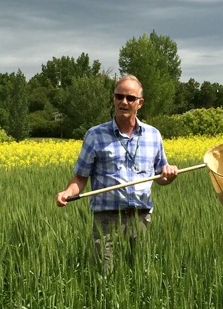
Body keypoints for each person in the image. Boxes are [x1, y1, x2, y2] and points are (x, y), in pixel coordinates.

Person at [55, 75, 179, 272]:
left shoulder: (153, 135)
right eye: (119, 96)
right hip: (106, 222)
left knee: (141, 279)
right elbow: (80, 177)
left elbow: (160, 176)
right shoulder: (95, 135)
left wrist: (168, 175)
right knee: (104, 280)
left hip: (141, 220)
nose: (124, 102)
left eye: (130, 98)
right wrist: (67, 193)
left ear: (140, 103)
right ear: (113, 99)